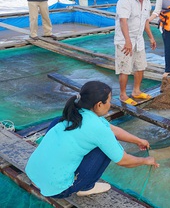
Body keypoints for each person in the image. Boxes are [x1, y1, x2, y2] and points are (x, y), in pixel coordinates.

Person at [25, 81, 159, 198]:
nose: (111, 104)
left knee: (57, 124)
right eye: (110, 100)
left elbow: (112, 129)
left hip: (33, 174)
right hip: (56, 189)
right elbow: (123, 160)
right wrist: (146, 160)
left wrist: (138, 140)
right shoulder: (97, 127)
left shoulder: (75, 112)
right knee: (104, 150)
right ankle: (86, 187)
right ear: (99, 104)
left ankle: (47, 173)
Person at [114, 0, 156, 106]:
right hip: (124, 39)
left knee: (140, 65)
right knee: (124, 68)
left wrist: (150, 37)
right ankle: (123, 94)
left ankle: (136, 91)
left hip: (139, 39)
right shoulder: (125, 1)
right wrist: (127, 41)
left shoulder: (147, 2)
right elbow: (123, 21)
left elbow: (145, 22)